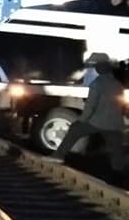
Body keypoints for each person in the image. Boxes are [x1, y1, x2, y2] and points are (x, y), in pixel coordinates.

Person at [46, 53, 126, 182]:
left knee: (74, 130)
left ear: (99, 69)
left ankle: (58, 156)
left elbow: (90, 106)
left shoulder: (97, 83)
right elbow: (121, 105)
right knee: (116, 150)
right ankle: (118, 175)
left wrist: (81, 120)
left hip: (97, 121)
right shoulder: (117, 84)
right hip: (115, 123)